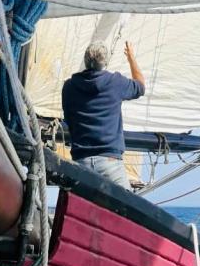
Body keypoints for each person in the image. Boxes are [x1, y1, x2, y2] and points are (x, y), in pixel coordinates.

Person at [61, 39, 145, 190]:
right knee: (125, 210)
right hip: (110, 162)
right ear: (105, 62)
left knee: (79, 209)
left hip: (81, 162)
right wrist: (131, 57)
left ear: (85, 61)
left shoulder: (69, 87)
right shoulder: (115, 82)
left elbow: (68, 118)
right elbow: (140, 86)